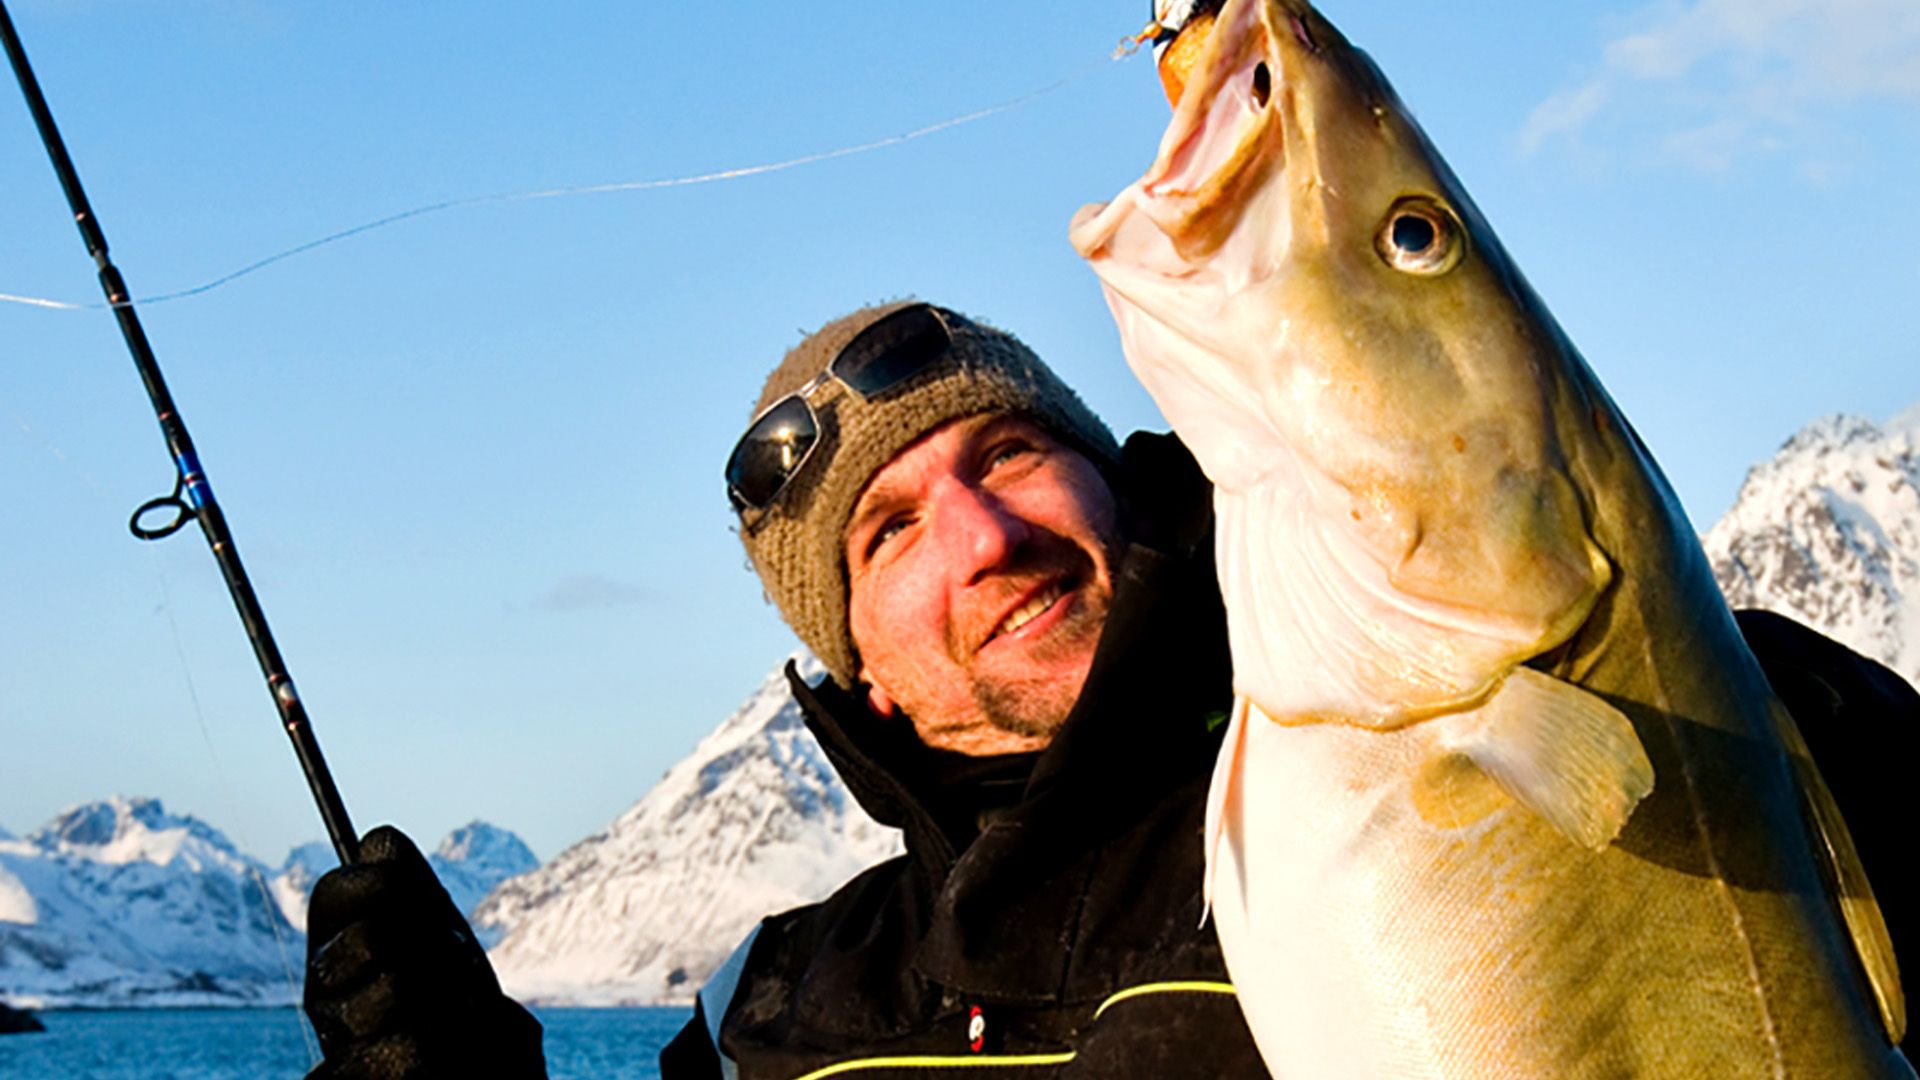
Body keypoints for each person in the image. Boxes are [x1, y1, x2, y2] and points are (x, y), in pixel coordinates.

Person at [299, 301, 1918, 1079]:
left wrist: (1725, 700)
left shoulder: (1420, 773)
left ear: (1126, 487)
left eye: (1012, 454)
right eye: (893, 531)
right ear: (853, 652)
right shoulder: (774, 1007)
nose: (990, 537)